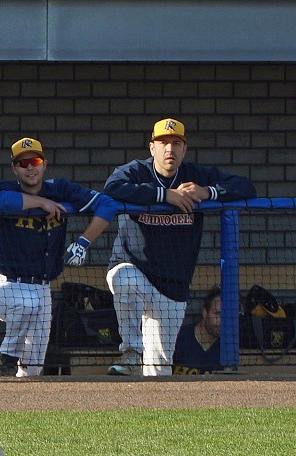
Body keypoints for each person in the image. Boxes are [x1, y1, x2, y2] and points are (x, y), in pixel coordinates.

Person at [103, 118, 256, 376]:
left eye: (176, 143)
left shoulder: (196, 176)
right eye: (163, 143)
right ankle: (131, 352)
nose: (169, 149)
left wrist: (208, 192)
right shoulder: (136, 171)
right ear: (152, 147)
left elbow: (246, 187)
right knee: (125, 279)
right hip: (136, 269)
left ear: (184, 149)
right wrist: (164, 195)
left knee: (160, 369)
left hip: (172, 285)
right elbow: (112, 189)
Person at [0, 137, 119, 377]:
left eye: (35, 161)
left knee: (34, 366)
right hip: (6, 285)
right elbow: (4, 202)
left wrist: (83, 242)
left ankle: (20, 394)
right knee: (27, 303)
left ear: (44, 164)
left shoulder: (60, 188)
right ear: (14, 168)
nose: (30, 167)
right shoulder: (6, 189)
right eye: (23, 163)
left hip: (42, 288)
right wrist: (42, 203)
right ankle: (8, 354)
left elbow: (108, 205)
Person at [172, 285, 223, 375]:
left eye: (227, 315)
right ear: (205, 313)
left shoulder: (227, 347)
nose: (222, 320)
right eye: (217, 314)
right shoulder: (177, 338)